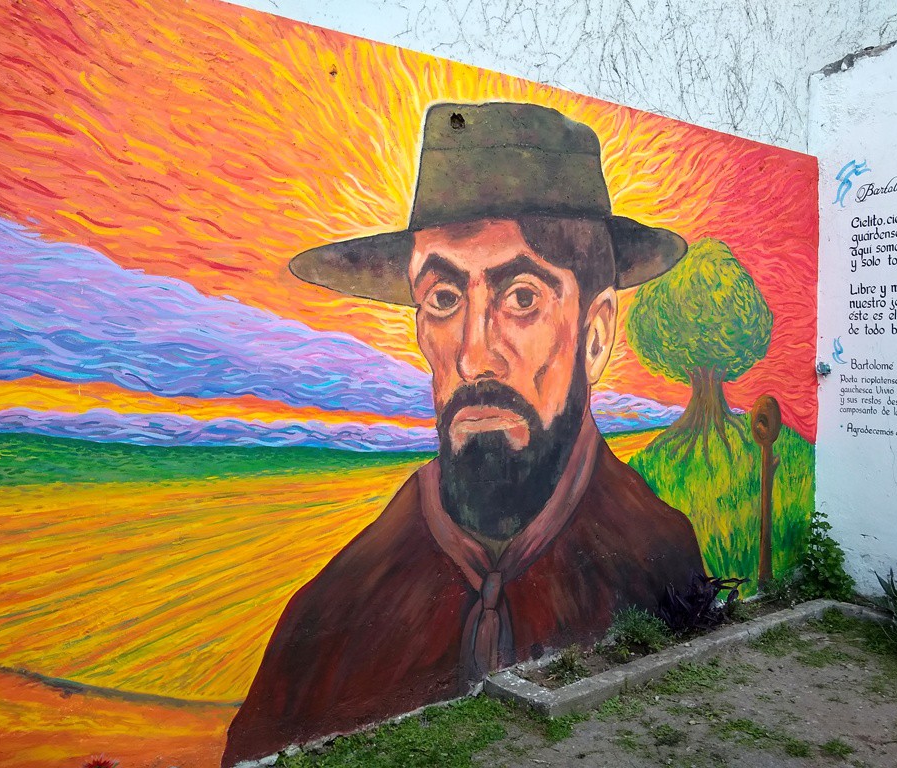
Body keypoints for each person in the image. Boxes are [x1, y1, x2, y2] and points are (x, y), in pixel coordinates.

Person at [222, 102, 705, 766]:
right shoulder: (332, 613)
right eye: (445, 300)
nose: (474, 355)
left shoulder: (659, 553)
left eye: (522, 297)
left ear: (595, 337)